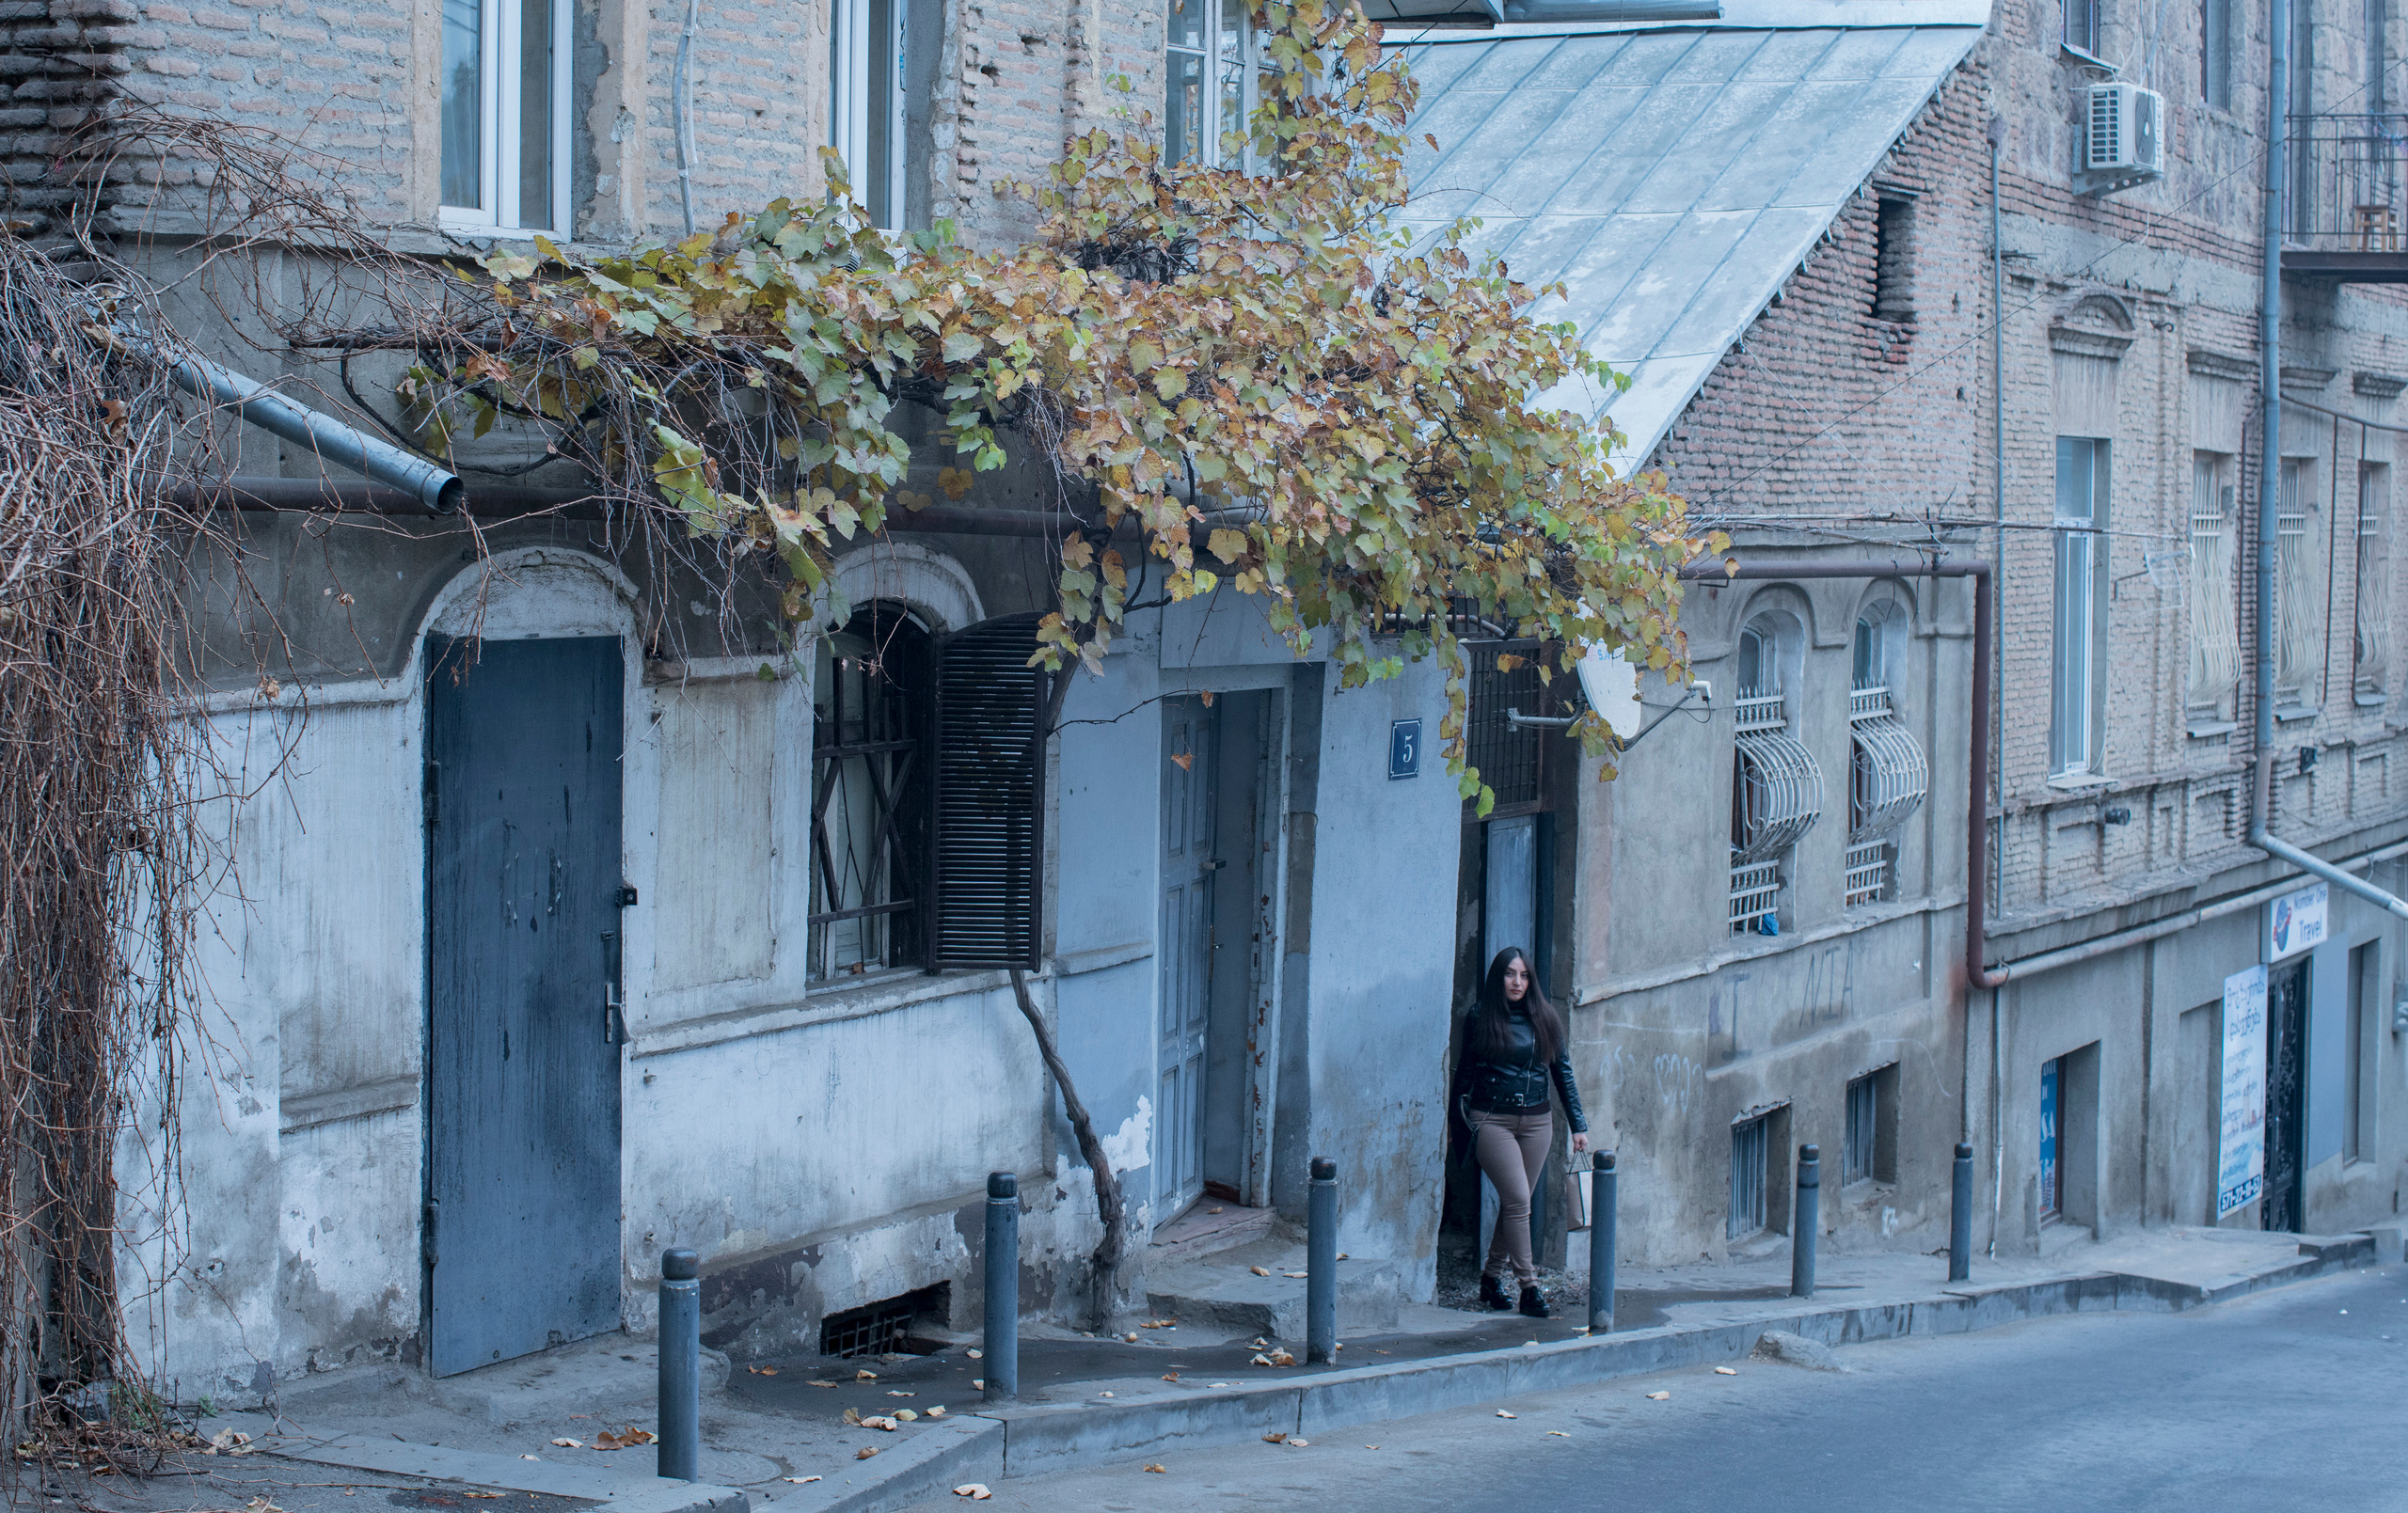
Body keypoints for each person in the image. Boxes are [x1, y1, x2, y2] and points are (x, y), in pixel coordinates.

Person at [1450, 945, 1588, 1318]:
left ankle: (1491, 1278)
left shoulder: (1545, 1017)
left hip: (1538, 1122)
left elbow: (1563, 1073)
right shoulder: (1480, 1017)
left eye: (1524, 975)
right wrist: (1455, 1126)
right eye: (1510, 974)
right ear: (1499, 978)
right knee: (1518, 1200)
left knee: (1517, 1203)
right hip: (1492, 1119)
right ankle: (1529, 1286)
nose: (1517, 982)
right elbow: (1463, 1074)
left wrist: (1579, 1126)